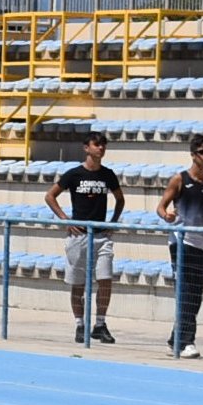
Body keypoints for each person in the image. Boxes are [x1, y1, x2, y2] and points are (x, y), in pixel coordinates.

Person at [44, 131, 125, 344]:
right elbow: (50, 196)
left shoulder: (108, 174)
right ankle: (80, 324)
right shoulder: (74, 174)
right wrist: (65, 219)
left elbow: (120, 199)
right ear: (86, 148)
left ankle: (100, 324)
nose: (101, 148)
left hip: (101, 236)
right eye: (97, 144)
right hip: (79, 236)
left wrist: (113, 222)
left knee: (105, 280)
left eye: (103, 144)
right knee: (78, 283)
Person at [156, 134, 203, 358]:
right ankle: (187, 341)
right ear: (193, 154)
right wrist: (166, 216)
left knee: (195, 294)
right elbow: (161, 207)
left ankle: (174, 340)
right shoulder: (180, 179)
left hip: (201, 243)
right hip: (181, 241)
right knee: (185, 291)